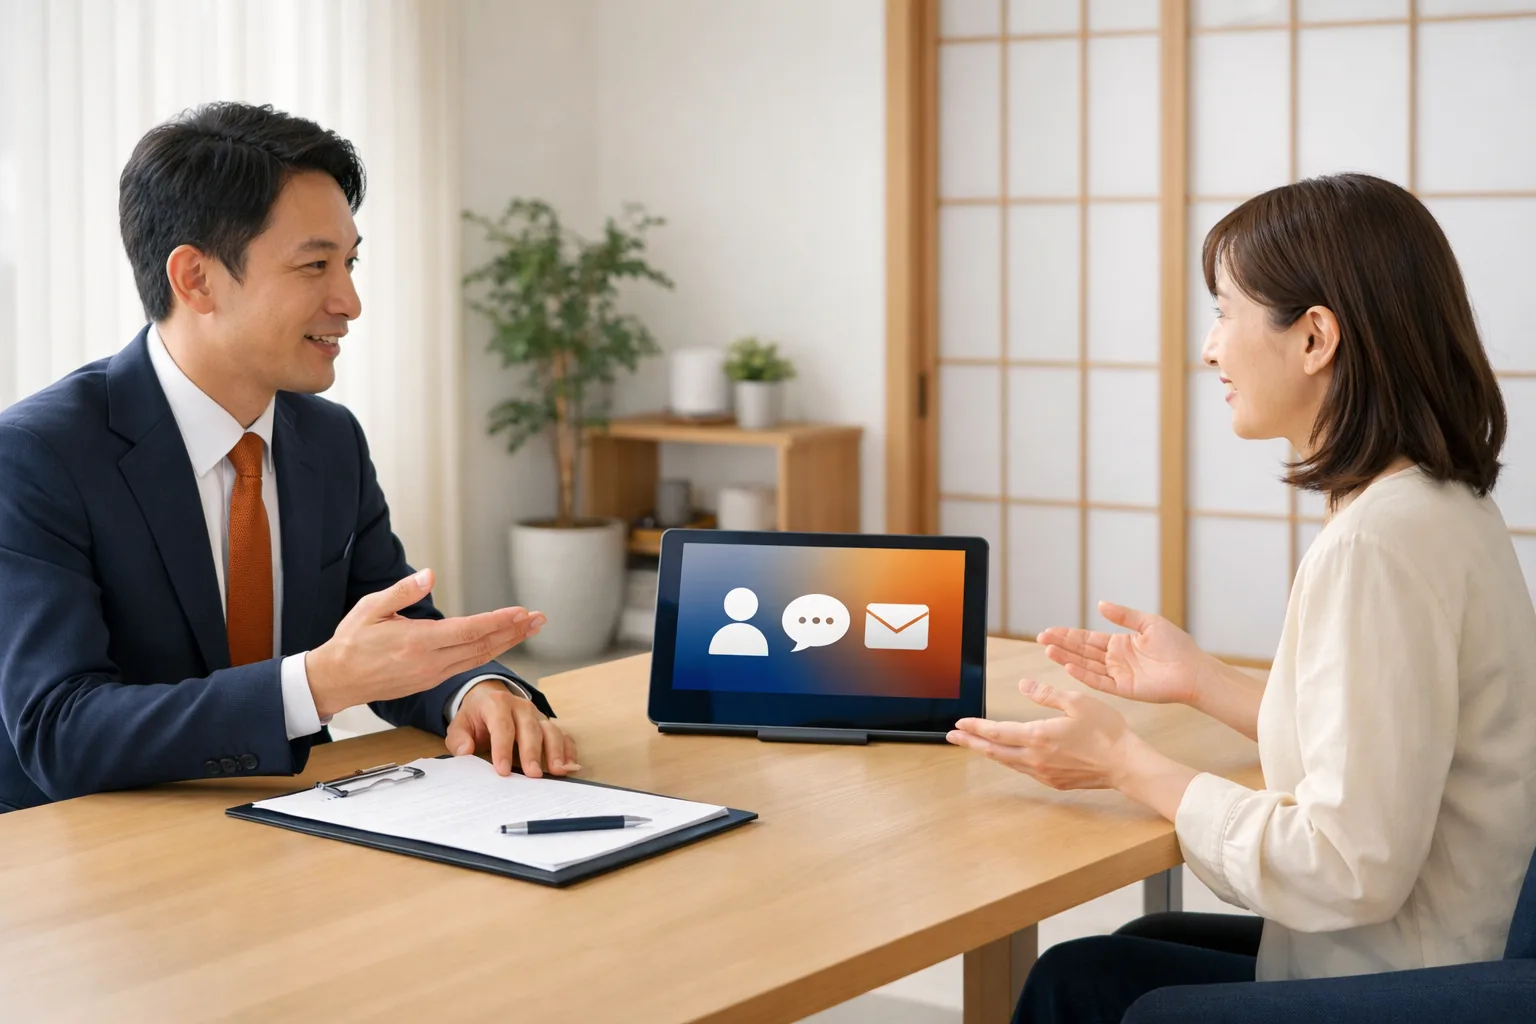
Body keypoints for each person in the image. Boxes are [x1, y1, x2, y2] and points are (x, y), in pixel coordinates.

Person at [947, 173, 1536, 1022]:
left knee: (1104, 994)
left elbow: (1348, 865)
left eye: (1225, 311)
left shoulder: (1378, 542)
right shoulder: (1438, 503)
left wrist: (1127, 763)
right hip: (1447, 945)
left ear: (1314, 338)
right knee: (1078, 975)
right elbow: (1387, 744)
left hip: (1406, 978)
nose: (1210, 348)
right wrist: (1204, 682)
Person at [0, 102, 578, 813]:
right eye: (315, 266)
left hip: (288, 828)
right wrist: (319, 684)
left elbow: (392, 631)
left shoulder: (330, 440)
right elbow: (59, 732)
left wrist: (473, 687)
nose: (351, 301)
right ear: (196, 279)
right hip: (93, 861)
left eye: (350, 262)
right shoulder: (36, 455)